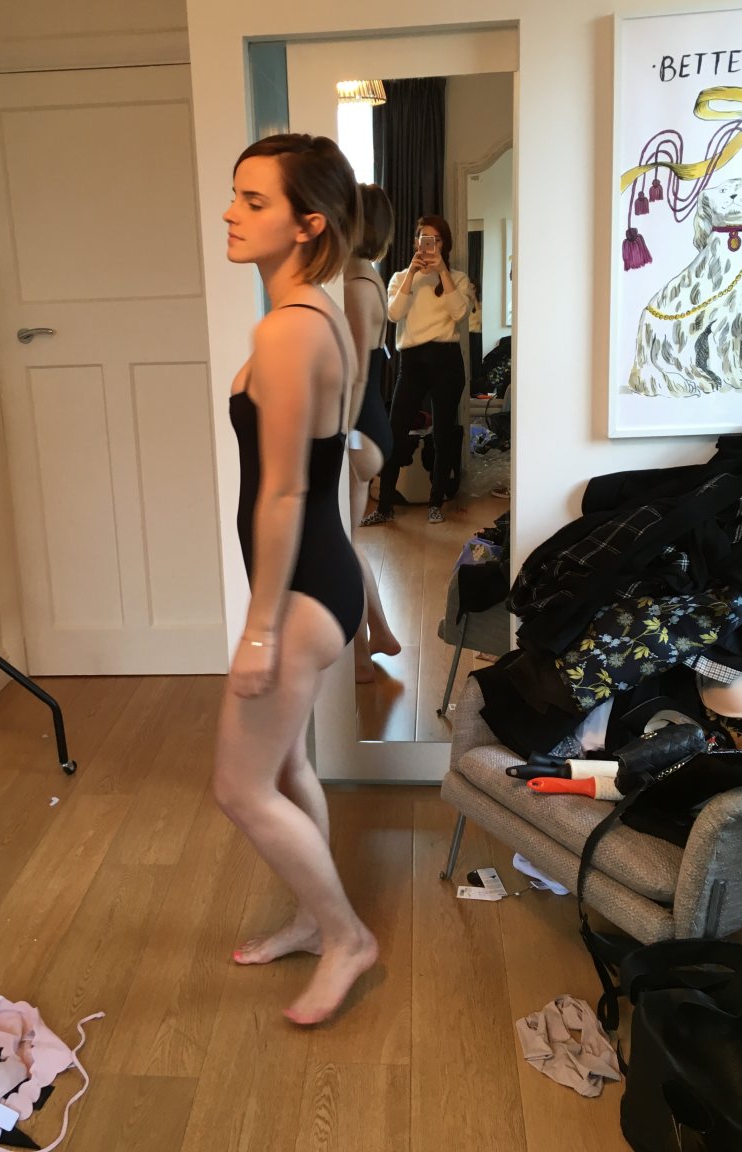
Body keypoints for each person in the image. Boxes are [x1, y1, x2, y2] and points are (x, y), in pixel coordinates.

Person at [217, 133, 378, 1026]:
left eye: (254, 201)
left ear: (307, 223)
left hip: (304, 590)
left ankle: (347, 936)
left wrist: (260, 627)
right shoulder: (320, 310)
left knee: (239, 788)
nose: (231, 214)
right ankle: (316, 922)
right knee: (282, 766)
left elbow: (282, 491)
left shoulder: (287, 330)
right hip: (322, 576)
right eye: (234, 195)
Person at [362, 215, 475, 526]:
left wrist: (442, 272)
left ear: (444, 244)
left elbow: (460, 314)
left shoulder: (457, 278)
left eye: (435, 240)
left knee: (443, 434)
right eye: (424, 239)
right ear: (415, 243)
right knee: (394, 431)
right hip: (411, 362)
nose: (429, 245)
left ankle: (436, 502)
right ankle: (384, 506)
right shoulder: (401, 277)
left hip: (446, 360)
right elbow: (394, 313)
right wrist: (412, 273)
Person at [342, 183, 402, 681]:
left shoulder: (356, 286)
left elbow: (357, 372)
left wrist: (340, 430)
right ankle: (377, 633)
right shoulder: (370, 278)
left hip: (360, 424)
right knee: (350, 541)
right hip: (370, 422)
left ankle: (362, 655)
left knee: (344, 544)